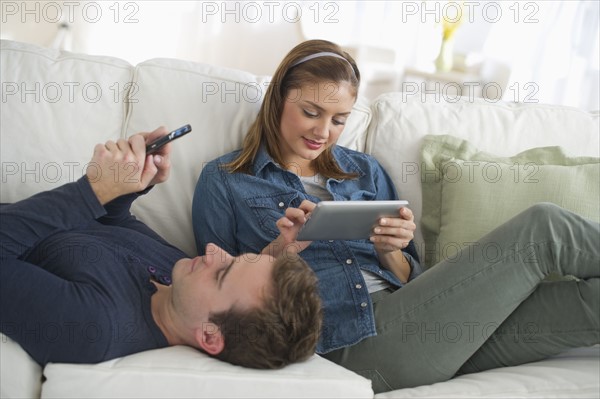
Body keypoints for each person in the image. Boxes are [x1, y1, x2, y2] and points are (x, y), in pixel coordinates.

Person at [192, 39, 600, 392]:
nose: (324, 132)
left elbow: (410, 279)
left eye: (339, 120)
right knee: (542, 228)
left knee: (589, 303)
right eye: (311, 112)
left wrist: (391, 251)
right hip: (348, 342)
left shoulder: (363, 169)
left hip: (418, 321)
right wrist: (282, 250)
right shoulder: (226, 180)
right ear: (279, 99)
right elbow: (219, 300)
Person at [0, 127, 323, 370]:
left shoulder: (94, 328)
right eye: (233, 258)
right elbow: (116, 224)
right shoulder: (177, 277)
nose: (212, 250)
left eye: (222, 273)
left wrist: (93, 191)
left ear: (209, 336)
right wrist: (134, 182)